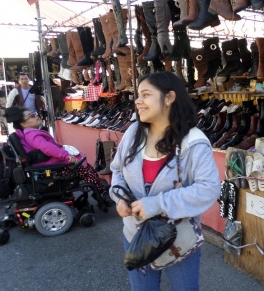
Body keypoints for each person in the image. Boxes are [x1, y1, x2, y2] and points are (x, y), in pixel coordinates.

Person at [109, 71, 221, 291]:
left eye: (146, 94)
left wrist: (157, 204)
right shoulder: (133, 133)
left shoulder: (194, 142)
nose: (138, 101)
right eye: (137, 95)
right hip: (135, 235)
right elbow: (117, 171)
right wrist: (120, 197)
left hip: (177, 239)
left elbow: (208, 188)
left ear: (169, 98)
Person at [3, 106, 113, 209]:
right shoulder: (32, 135)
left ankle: (99, 192)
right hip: (52, 169)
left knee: (87, 169)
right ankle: (101, 194)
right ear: (23, 123)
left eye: (34, 113)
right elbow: (47, 148)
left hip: (50, 167)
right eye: (31, 116)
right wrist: (66, 155)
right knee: (87, 171)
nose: (36, 115)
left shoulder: (28, 133)